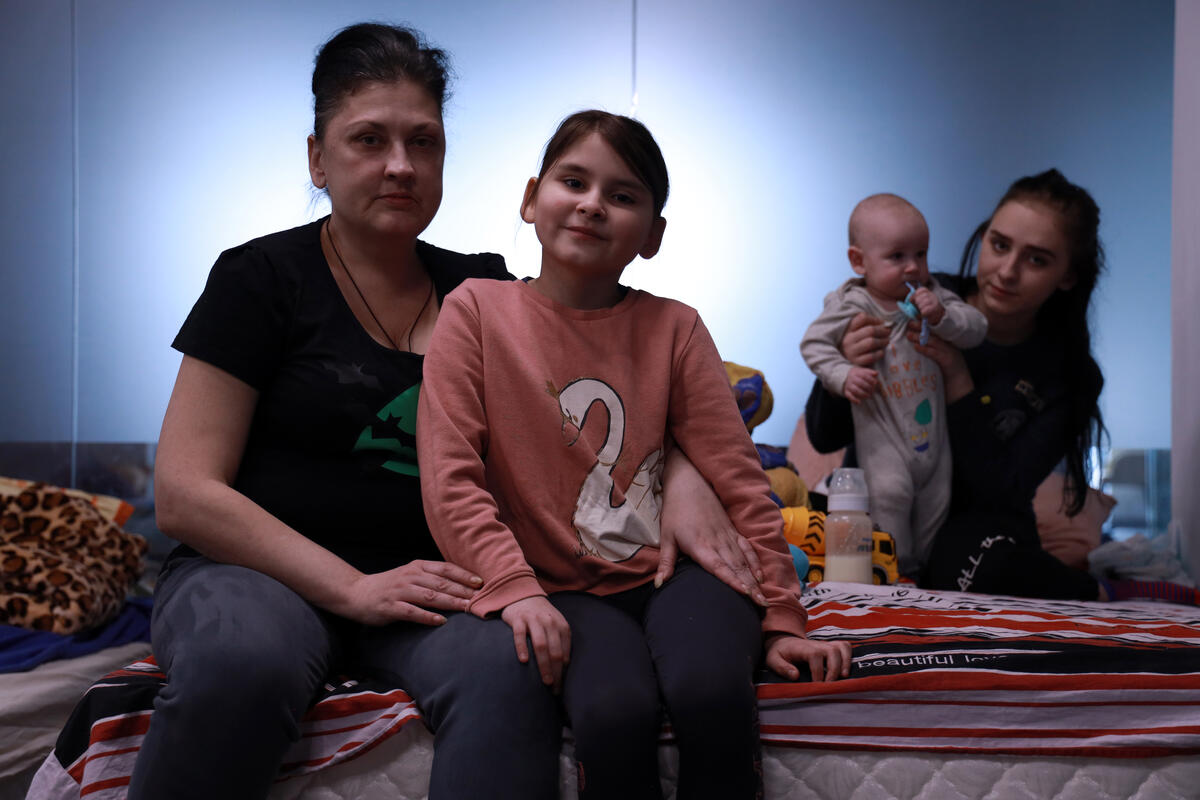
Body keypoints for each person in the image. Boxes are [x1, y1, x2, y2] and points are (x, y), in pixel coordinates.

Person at [134, 24, 770, 800]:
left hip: (442, 583)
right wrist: (352, 588)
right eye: (369, 139)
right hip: (259, 578)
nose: (400, 165)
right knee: (242, 666)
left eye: (423, 142)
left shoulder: (487, 291)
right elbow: (184, 491)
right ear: (317, 159)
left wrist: (682, 478)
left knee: (520, 666)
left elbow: (625, 407)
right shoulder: (260, 279)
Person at [417, 110, 851, 800]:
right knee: (615, 710)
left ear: (652, 235)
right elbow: (450, 478)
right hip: (559, 586)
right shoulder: (474, 312)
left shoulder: (674, 329)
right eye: (573, 181)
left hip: (680, 577)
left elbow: (738, 478)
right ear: (532, 199)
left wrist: (783, 618)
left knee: (710, 692)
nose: (592, 205)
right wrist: (511, 587)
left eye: (621, 196)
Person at [806, 169, 1200, 605]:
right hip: (879, 503)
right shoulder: (908, 297)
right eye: (999, 245)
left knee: (977, 567)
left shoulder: (1070, 374)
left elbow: (1001, 489)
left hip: (979, 530)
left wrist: (958, 377)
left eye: (1037, 259)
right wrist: (843, 365)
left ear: (1067, 275)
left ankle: (1106, 592)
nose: (1007, 271)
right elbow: (824, 435)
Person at [800, 194, 987, 577]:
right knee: (889, 495)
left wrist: (943, 315)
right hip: (882, 432)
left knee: (937, 503)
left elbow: (976, 328)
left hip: (932, 435)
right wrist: (844, 373)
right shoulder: (853, 305)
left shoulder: (932, 295)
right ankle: (893, 572)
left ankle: (925, 574)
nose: (914, 267)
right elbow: (813, 344)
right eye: (897, 257)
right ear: (858, 261)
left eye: (921, 254)